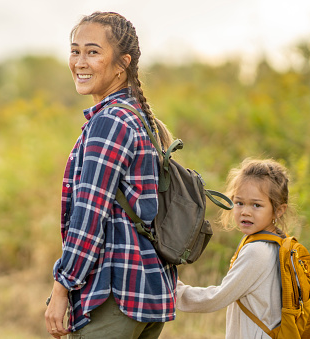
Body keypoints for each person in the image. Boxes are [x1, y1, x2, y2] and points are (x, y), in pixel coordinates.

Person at [44, 11, 177, 339]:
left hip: (114, 296)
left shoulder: (110, 122)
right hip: (147, 295)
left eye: (93, 51)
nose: (80, 62)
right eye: (75, 51)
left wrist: (62, 289)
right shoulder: (137, 117)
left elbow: (89, 215)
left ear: (122, 64)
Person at [176, 158, 294, 338]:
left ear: (279, 210)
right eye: (239, 203)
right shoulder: (277, 242)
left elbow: (217, 298)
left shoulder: (257, 251)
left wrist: (173, 290)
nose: (245, 211)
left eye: (256, 205)